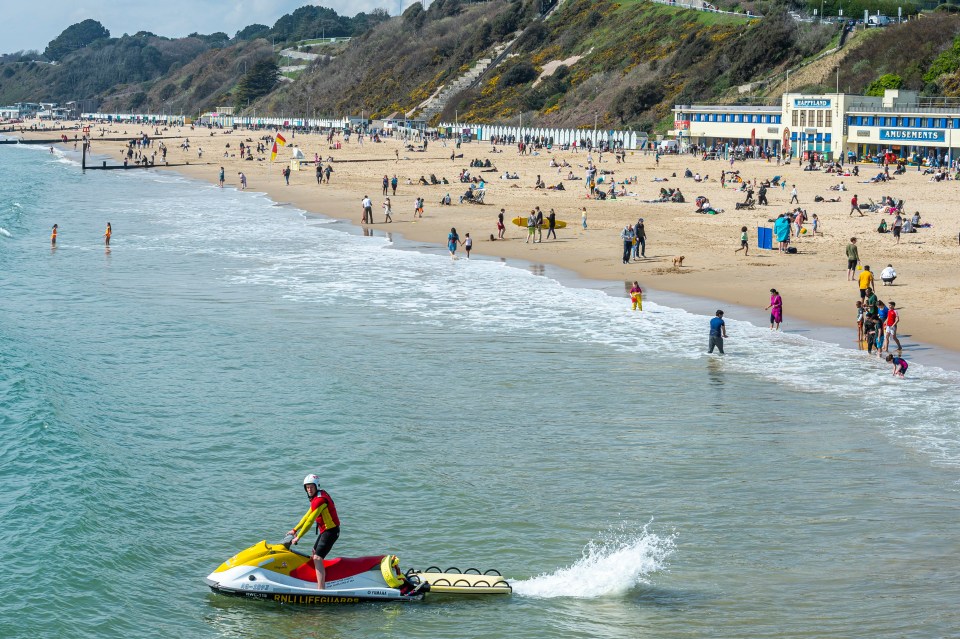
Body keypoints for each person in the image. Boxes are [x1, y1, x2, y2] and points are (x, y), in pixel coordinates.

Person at [288, 474, 340, 590]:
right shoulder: (317, 497)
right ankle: (317, 579)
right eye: (307, 487)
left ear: (316, 486)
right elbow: (307, 515)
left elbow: (310, 521)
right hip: (325, 530)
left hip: (331, 531)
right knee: (314, 553)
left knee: (317, 558)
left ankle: (321, 589)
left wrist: (298, 537)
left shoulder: (320, 500)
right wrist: (295, 529)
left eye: (311, 487)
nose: (309, 489)